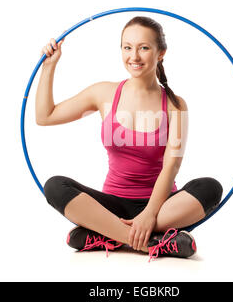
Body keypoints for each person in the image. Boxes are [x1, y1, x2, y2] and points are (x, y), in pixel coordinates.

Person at [36, 16, 223, 261]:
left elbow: (171, 166)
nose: (134, 56)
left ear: (161, 53)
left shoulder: (175, 105)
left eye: (144, 47)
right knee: (54, 186)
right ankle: (151, 242)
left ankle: (107, 234)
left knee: (210, 187)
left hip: (162, 207)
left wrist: (149, 214)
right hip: (111, 205)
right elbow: (45, 116)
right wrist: (49, 67)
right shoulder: (104, 93)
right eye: (127, 47)